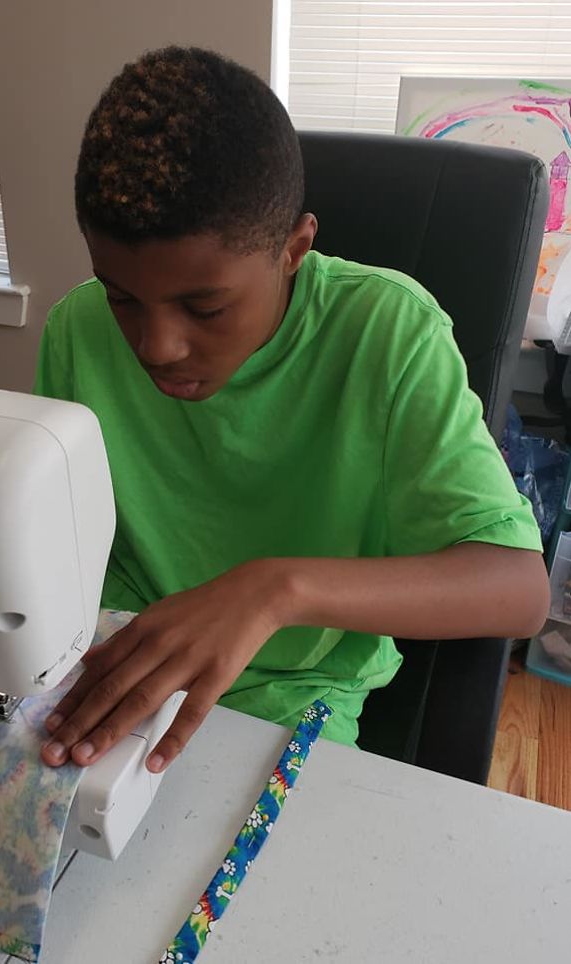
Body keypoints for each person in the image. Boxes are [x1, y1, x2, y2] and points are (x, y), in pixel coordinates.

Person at [36, 46, 549, 773]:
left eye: (205, 306)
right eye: (122, 295)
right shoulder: (77, 330)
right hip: (116, 661)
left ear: (294, 249)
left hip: (286, 701)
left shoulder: (389, 334)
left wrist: (273, 590)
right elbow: (55, 535)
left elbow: (519, 589)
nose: (156, 346)